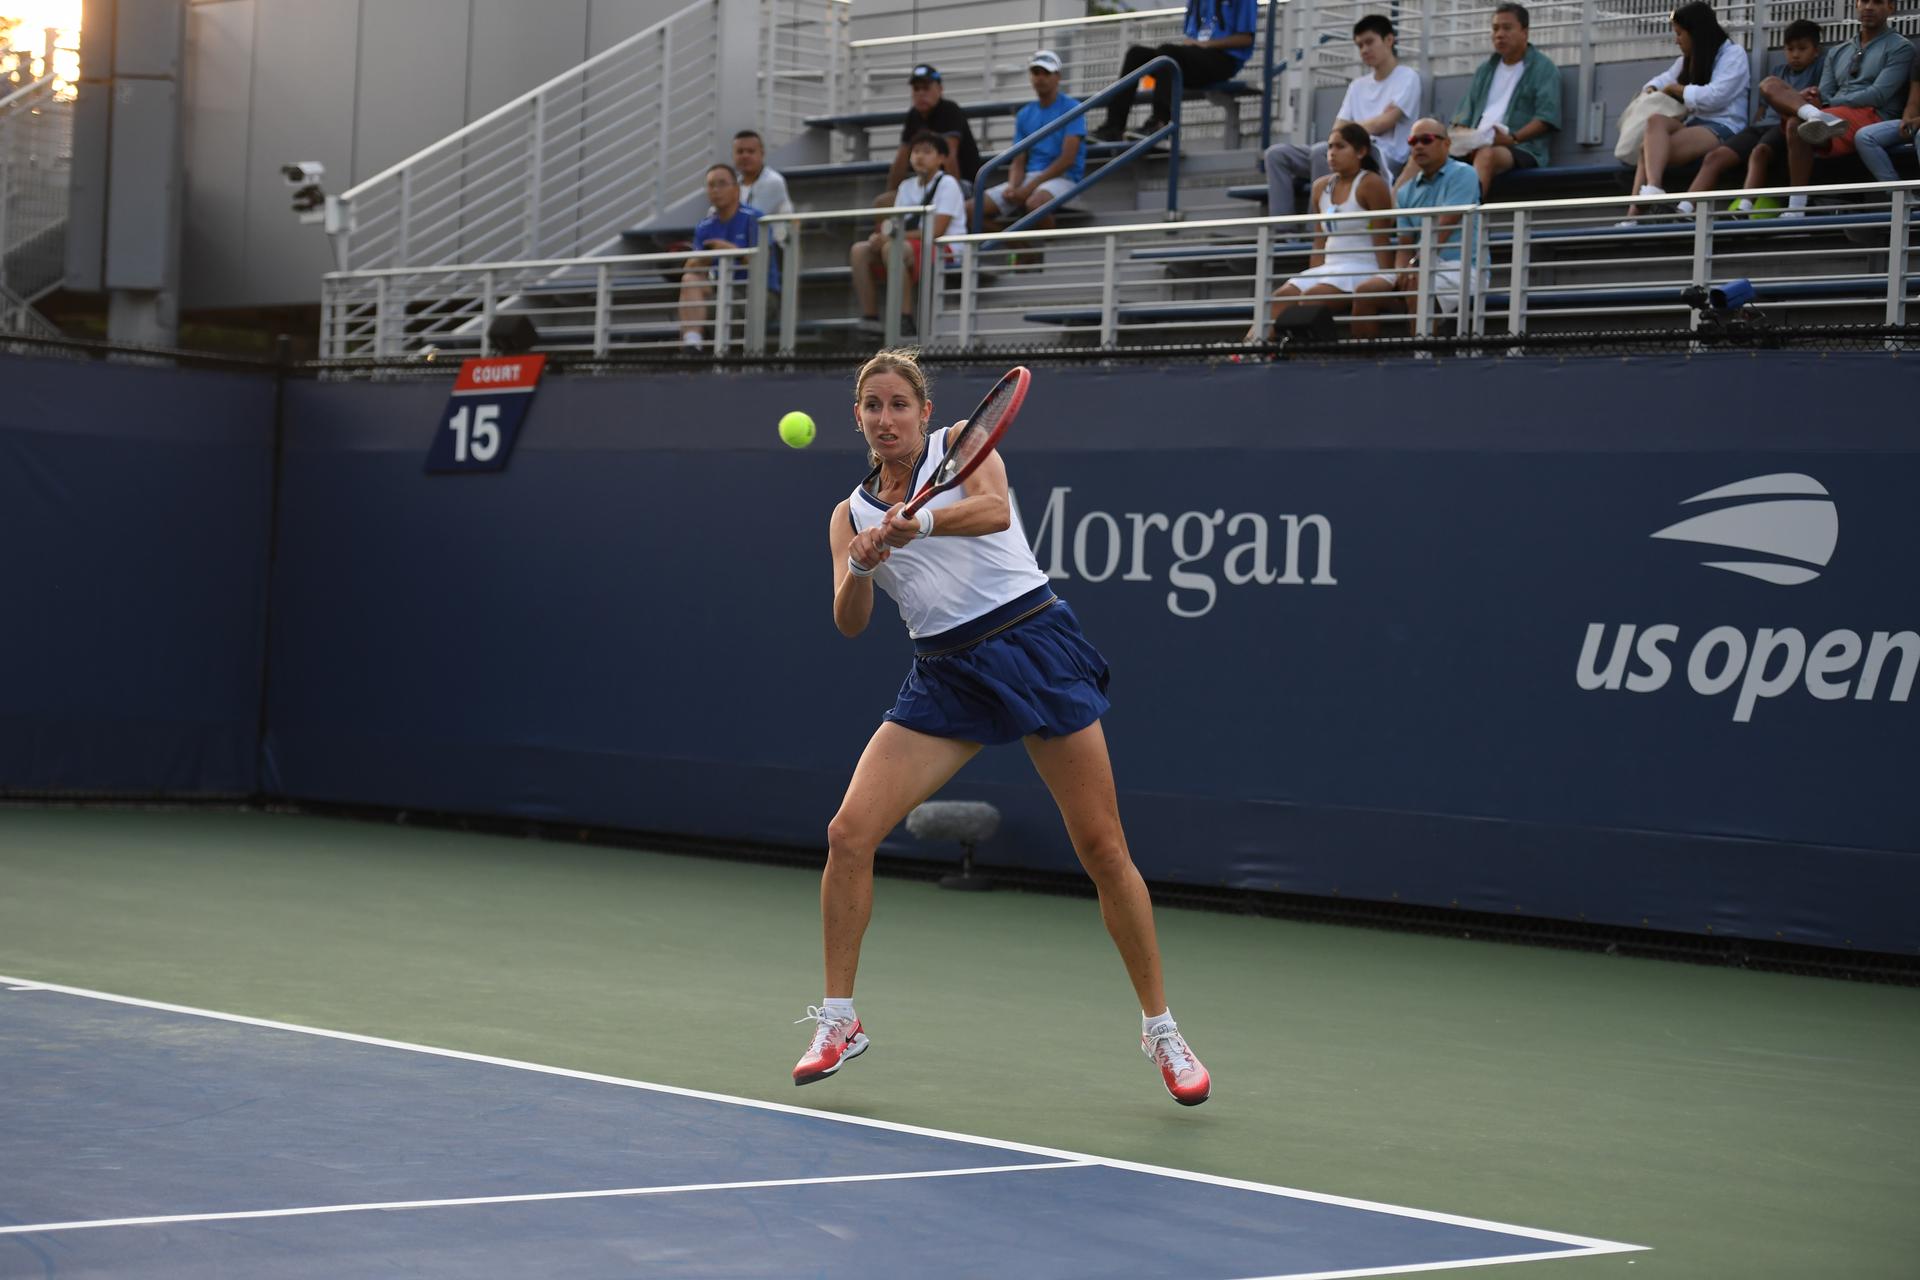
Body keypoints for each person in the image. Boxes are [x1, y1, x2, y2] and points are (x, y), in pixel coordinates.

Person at [794, 349, 1211, 1108]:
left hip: (1028, 642)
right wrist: (859, 563)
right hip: (945, 672)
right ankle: (839, 1019)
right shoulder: (846, 513)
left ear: (924, 413)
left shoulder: (961, 445)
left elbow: (991, 511)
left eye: (899, 405)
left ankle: (1162, 1029)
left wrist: (919, 522)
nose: (886, 419)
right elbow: (848, 623)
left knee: (1103, 846)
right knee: (848, 832)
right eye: (872, 407)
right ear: (857, 418)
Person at [1757, 0, 1913, 216]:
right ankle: (1811, 114)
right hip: (1831, 113)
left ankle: (1796, 207)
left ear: (1890, 8)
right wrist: (1811, 98)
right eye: (1863, 1)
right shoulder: (1839, 51)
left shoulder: (1901, 48)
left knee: (1796, 121)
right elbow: (1825, 91)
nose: (1869, 7)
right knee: (1770, 85)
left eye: (1877, 2)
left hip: (1873, 116)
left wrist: (1827, 103)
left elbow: (1878, 95)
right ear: (1856, 6)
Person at [1261, 15, 1422, 216]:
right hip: (1349, 149)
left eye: (1369, 42)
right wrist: (1360, 129)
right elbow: (1339, 129)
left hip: (1381, 155)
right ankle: (1282, 232)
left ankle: (1316, 231)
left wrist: (1354, 129)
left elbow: (1385, 122)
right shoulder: (1357, 85)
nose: (1364, 50)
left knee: (1322, 151)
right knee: (1276, 155)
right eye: (1360, 45)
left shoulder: (1407, 77)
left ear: (1389, 40)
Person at [1247, 124, 1394, 341]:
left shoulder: (1371, 183)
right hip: (1330, 268)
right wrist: (1313, 276)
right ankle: (1248, 352)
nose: (1332, 153)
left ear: (1361, 152)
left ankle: (1314, 359)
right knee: (1278, 298)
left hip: (1363, 267)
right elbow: (1319, 242)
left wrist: (1388, 278)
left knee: (1311, 299)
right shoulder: (1319, 187)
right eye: (1330, 147)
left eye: (1340, 147)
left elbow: (1383, 237)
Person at [1678, 20, 1824, 213]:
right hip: (1761, 127)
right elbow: (1762, 109)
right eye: (1790, 49)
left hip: (1784, 126)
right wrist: (1755, 123)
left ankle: (1744, 207)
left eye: (1802, 49)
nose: (1795, 54)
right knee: (1715, 156)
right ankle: (1685, 208)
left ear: (1816, 50)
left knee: (1759, 152)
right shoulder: (1778, 72)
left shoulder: (1819, 69)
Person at [1622, 3, 1749, 220]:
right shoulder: (1686, 60)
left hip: (1724, 126)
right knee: (1654, 122)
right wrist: (1652, 89)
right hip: (1695, 123)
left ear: (1696, 32)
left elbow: (1716, 96)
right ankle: (1652, 189)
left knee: (1647, 150)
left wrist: (1676, 89)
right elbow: (1661, 80)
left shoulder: (1733, 55)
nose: (1676, 40)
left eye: (1680, 34)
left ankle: (1633, 216)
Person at [1354, 118, 1479, 336]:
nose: (1418, 146)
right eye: (1413, 141)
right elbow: (1405, 243)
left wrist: (1416, 266)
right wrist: (1403, 271)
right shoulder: (1405, 191)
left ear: (1446, 144)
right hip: (1420, 265)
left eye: (1426, 139)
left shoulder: (1464, 173)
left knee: (1418, 285)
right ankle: (1363, 364)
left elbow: (1444, 226)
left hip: (1459, 267)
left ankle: (1422, 359)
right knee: (1365, 292)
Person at [851, 132, 968, 335]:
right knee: (859, 250)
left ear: (941, 158)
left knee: (892, 248)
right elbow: (896, 225)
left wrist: (890, 239)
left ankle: (905, 317)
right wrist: (878, 236)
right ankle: (871, 317)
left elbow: (936, 231)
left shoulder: (948, 184)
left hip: (945, 247)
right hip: (912, 244)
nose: (919, 157)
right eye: (915, 152)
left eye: (927, 152)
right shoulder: (906, 187)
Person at [1092, 0, 1259, 143]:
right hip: (1197, 55)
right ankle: (1113, 127)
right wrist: (1194, 44)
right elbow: (1191, 35)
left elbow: (1245, 38)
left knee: (1168, 53)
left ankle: (1160, 123)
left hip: (1223, 60)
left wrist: (1207, 44)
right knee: (1136, 54)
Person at [1448, 3, 1562, 196]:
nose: (1499, 34)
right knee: (1422, 155)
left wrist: (1512, 138)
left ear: (1524, 32)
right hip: (1478, 141)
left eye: (1507, 28)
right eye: (1495, 29)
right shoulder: (1485, 70)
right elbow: (1461, 119)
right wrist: (1467, 136)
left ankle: (1468, 219)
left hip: (1519, 147)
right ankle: (1393, 223)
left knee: (1486, 155)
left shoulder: (1544, 68)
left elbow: (1545, 119)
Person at [979, 51, 1086, 232]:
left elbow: (1068, 159)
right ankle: (1022, 249)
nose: (1040, 78)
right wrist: (1013, 187)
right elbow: (1018, 159)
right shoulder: (1024, 114)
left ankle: (1041, 253)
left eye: (1046, 73)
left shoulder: (1073, 107)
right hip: (1031, 179)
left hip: (1064, 179)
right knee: (969, 210)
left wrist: (1028, 187)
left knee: (1035, 203)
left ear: (1057, 77)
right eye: (1036, 72)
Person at [676, 164, 777, 349]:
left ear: (736, 189)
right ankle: (692, 346)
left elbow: (762, 264)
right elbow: (691, 266)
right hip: (721, 289)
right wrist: (705, 258)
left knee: (707, 311)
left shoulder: (755, 219)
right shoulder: (704, 226)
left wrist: (731, 251)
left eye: (722, 184)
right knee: (689, 279)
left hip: (757, 291)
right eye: (711, 185)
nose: (716, 190)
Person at [885, 64, 983, 199]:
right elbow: (901, 159)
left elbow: (949, 156)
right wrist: (893, 194)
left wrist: (954, 196)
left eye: (926, 88)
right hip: (927, 184)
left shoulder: (950, 110)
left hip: (963, 182)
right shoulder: (913, 115)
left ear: (940, 89)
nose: (921, 93)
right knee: (883, 203)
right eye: (916, 89)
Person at [1854, 50, 1920, 182]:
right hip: (1916, 122)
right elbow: (1914, 102)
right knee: (1865, 137)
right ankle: (1899, 196)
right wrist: (1907, 119)